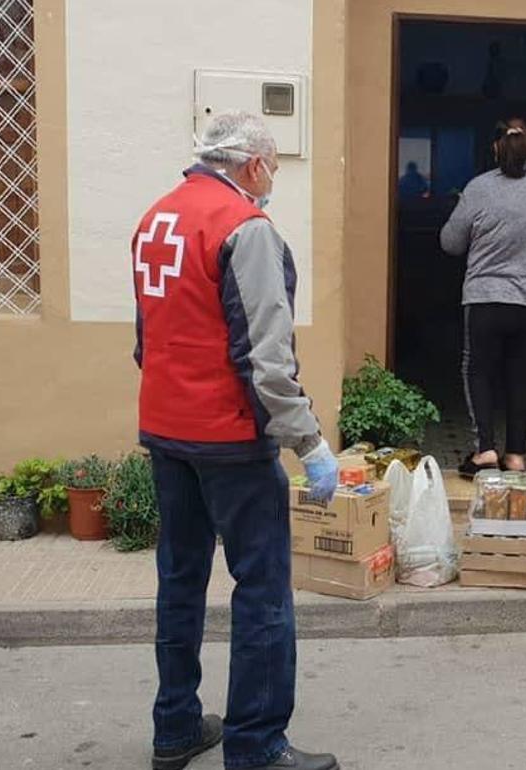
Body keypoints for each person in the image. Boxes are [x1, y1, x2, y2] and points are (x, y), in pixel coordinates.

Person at [132, 111, 340, 770]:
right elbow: (267, 361)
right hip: (229, 437)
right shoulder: (244, 230)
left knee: (181, 580)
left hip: (167, 430)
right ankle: (255, 745)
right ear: (251, 165)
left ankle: (176, 728)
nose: (273, 178)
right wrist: (309, 444)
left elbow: (148, 339)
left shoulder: (156, 218)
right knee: (262, 592)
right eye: (273, 167)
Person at [440, 117, 526, 477]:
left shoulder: (479, 188)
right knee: (522, 375)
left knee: (478, 372)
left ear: (495, 149)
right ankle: (515, 456)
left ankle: (484, 450)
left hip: (487, 300)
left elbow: (450, 243)